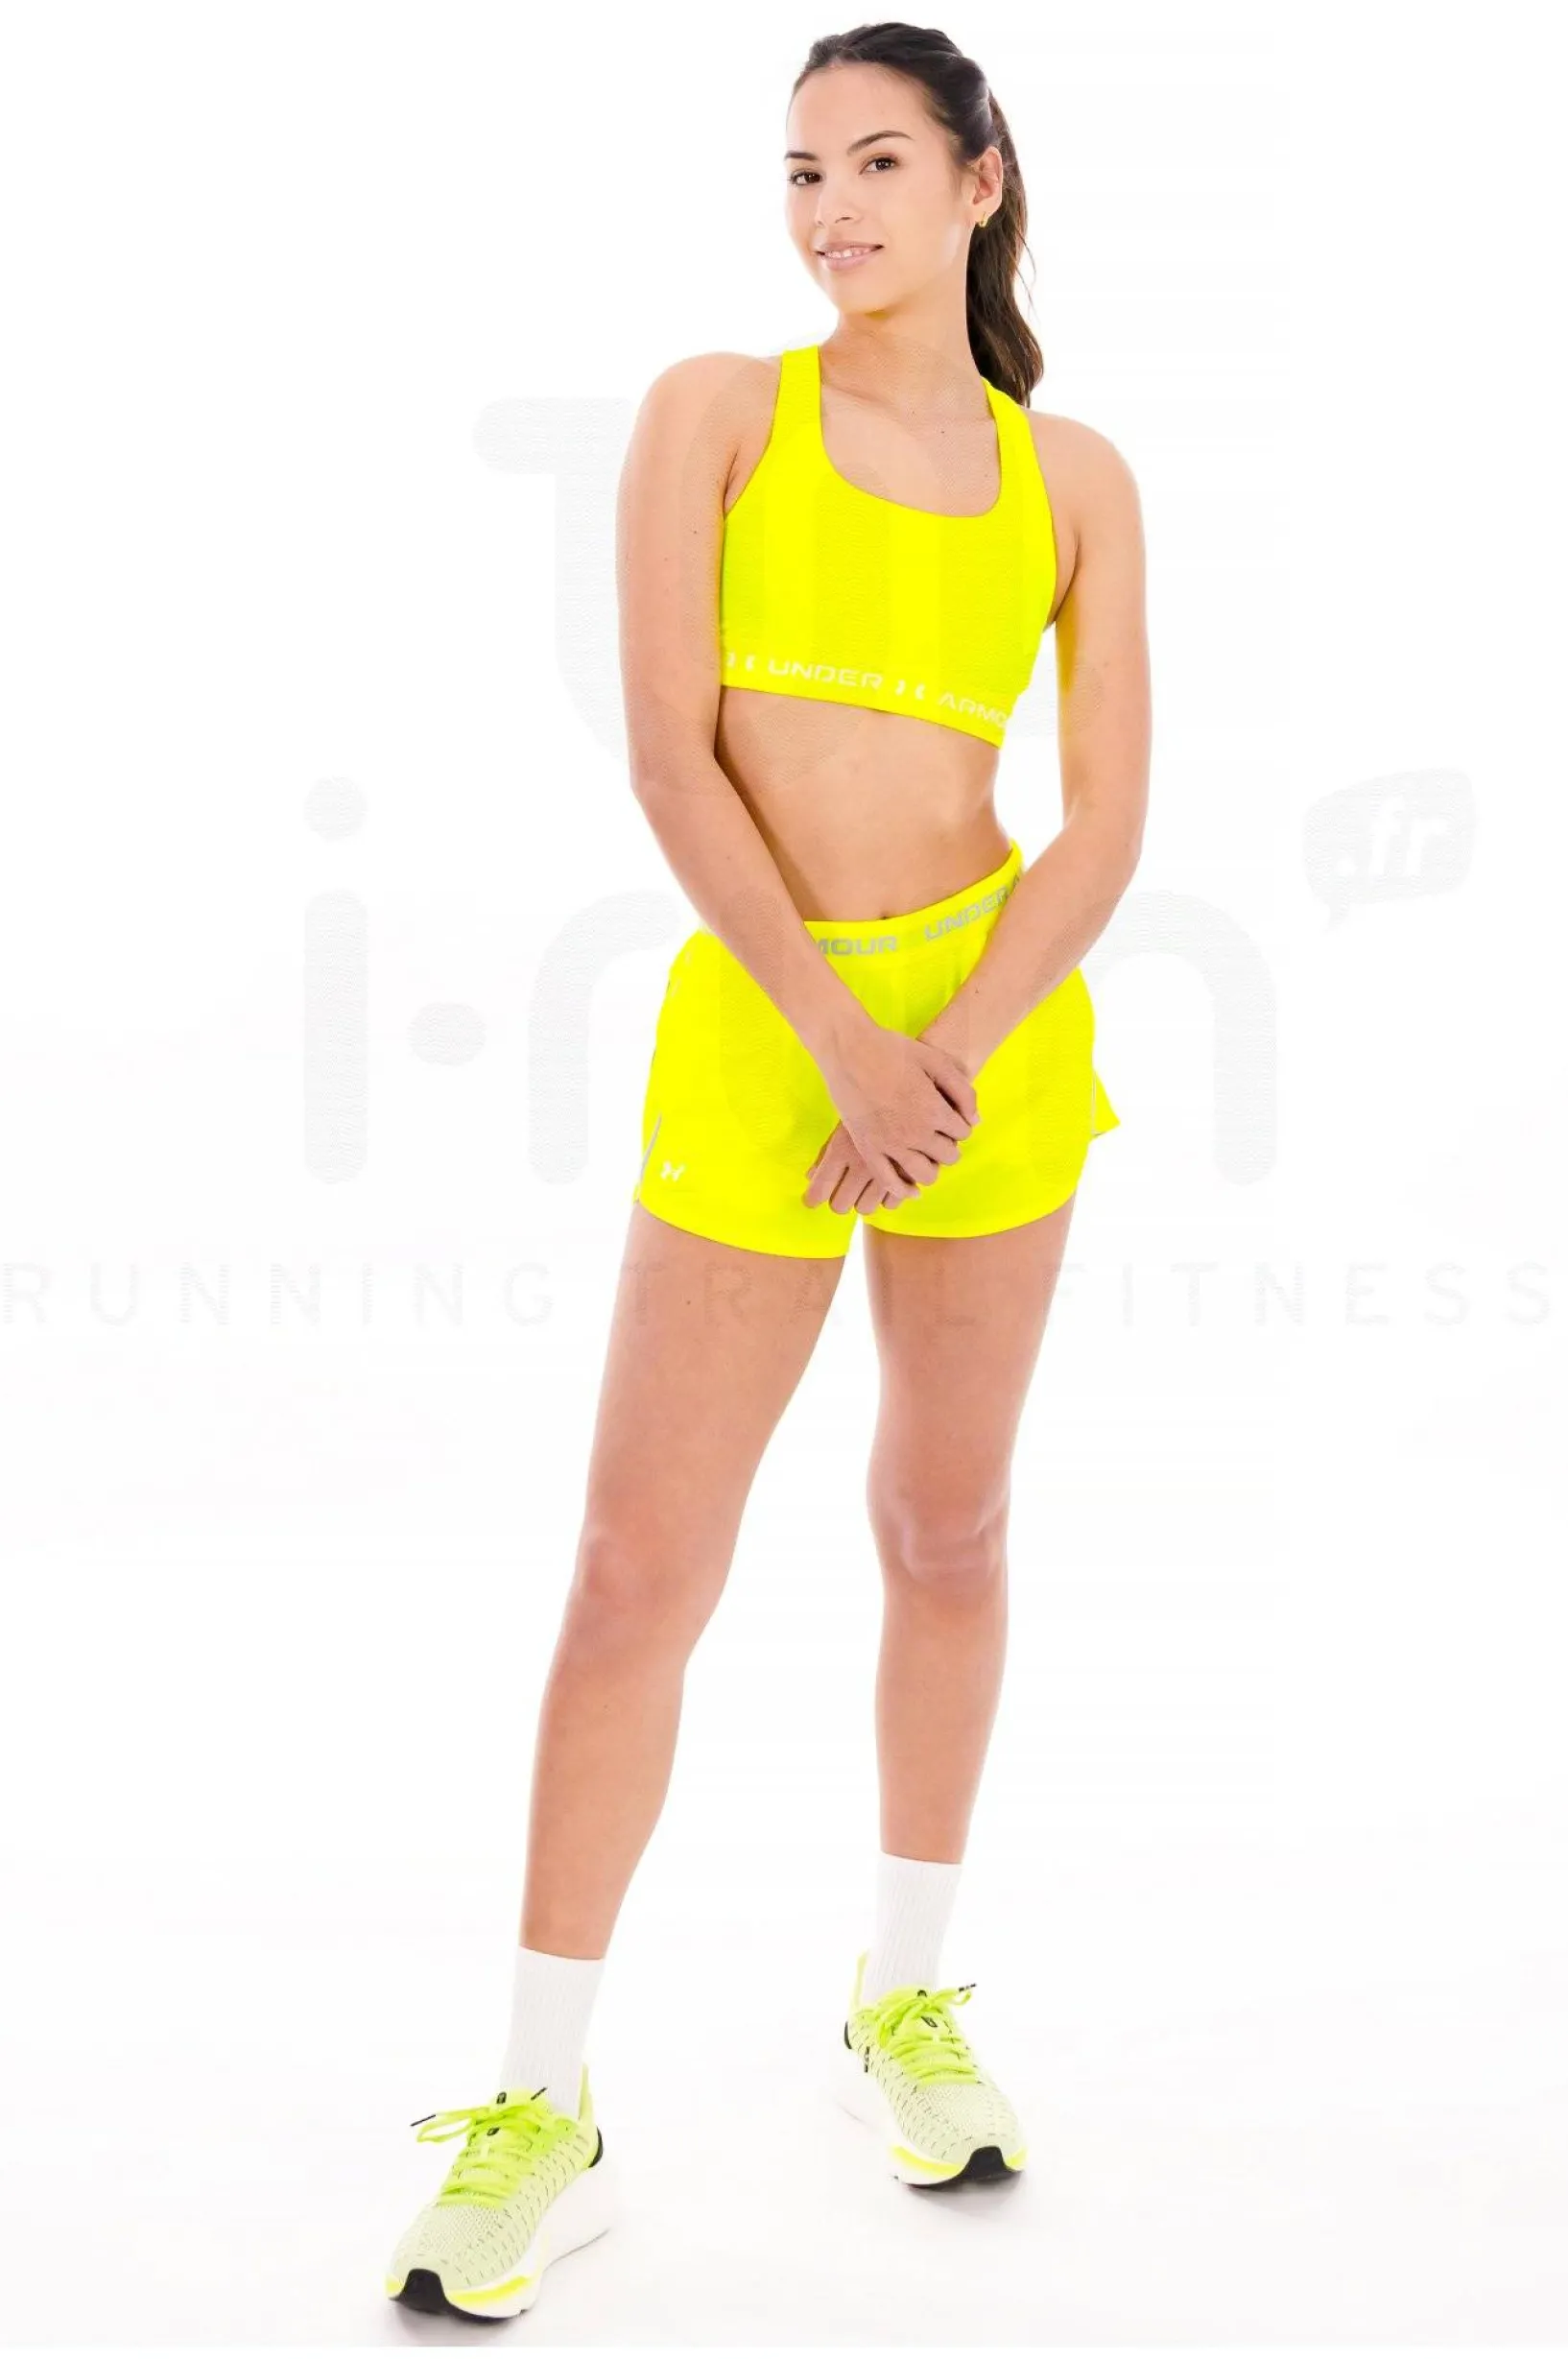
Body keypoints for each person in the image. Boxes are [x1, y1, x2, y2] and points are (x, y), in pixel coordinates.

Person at [386, 19, 1149, 2322]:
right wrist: (839, 1037)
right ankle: (538, 2106)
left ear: (981, 179)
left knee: (947, 1524)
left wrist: (945, 1052)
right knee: (639, 1564)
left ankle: (900, 2003)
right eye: (802, 169)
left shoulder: (1073, 475)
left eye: (880, 161)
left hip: (986, 1045)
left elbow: (1103, 821)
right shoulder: (715, 410)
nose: (832, 208)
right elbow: (667, 753)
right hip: (771, 1030)